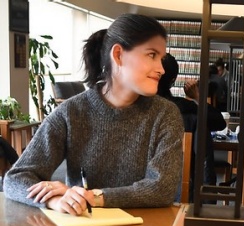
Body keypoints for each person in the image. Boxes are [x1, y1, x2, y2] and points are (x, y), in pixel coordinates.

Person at [3, 14, 184, 215]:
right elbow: (15, 178)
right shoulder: (71, 113)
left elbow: (162, 190)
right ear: (118, 55)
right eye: (152, 55)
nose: (161, 69)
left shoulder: (166, 114)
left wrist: (92, 197)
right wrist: (55, 199)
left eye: (162, 59)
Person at [157, 53, 226, 202]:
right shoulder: (184, 108)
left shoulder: (138, 108)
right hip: (181, 190)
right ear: (173, 80)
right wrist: (197, 96)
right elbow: (220, 122)